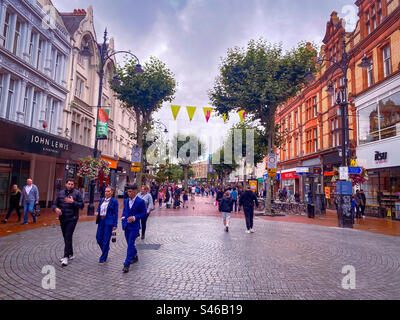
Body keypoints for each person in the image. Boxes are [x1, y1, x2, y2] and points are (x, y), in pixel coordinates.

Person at [53, 179, 84, 267]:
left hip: (72, 218)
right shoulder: (61, 193)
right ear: (66, 184)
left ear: (74, 185)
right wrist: (56, 209)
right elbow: (54, 204)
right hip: (63, 218)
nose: (70, 185)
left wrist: (73, 202)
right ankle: (70, 254)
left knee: (68, 236)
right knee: (65, 236)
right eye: (69, 184)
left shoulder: (77, 193)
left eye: (72, 184)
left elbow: (81, 205)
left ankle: (66, 257)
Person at [121, 184, 147, 273]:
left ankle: (126, 264)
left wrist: (135, 217)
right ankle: (135, 255)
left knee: (130, 244)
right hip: (126, 225)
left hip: (134, 226)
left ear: (135, 192)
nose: (128, 193)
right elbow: (124, 211)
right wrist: (123, 218)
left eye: (130, 191)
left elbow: (144, 213)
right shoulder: (126, 201)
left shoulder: (140, 202)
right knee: (129, 243)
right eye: (127, 191)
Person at [95, 187, 118, 263]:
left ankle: (103, 257)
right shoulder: (102, 200)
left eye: (108, 191)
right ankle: (106, 249)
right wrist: (97, 212)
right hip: (101, 221)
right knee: (98, 238)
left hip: (109, 222)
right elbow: (99, 208)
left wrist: (115, 224)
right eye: (105, 191)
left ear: (112, 192)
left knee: (106, 240)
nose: (106, 193)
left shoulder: (114, 201)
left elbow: (116, 213)